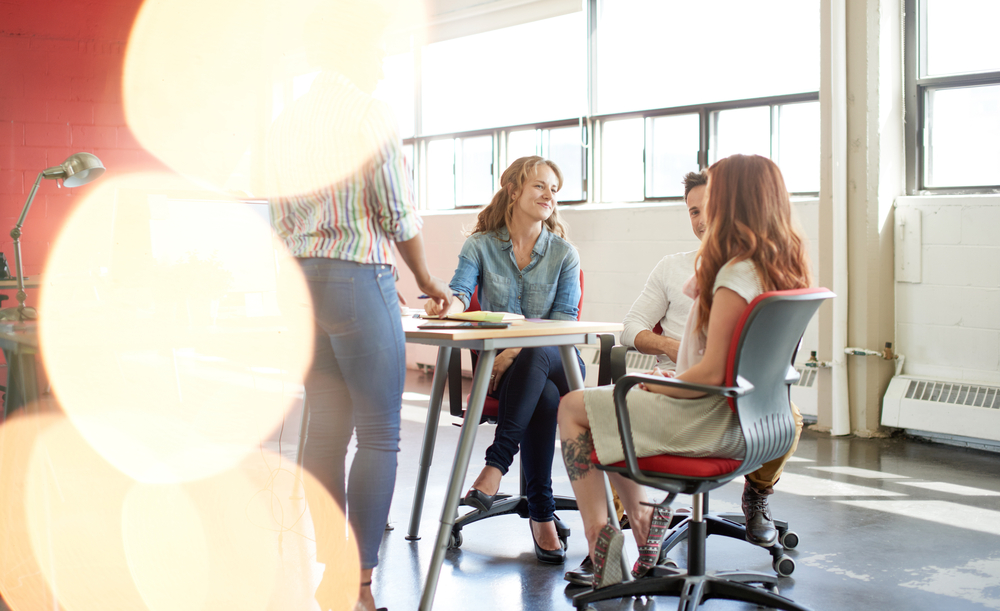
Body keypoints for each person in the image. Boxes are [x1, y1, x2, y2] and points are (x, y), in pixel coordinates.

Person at [266, 5, 452, 611]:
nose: (382, 68)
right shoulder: (370, 113)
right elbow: (396, 211)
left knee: (325, 430)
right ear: (353, 53)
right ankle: (362, 584)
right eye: (378, 55)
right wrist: (425, 278)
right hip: (355, 274)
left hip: (303, 284)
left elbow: (277, 214)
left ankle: (330, 568)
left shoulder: (287, 121)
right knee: (379, 433)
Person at [557, 154, 812, 589]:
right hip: (759, 420)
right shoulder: (781, 267)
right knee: (611, 411)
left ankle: (601, 541)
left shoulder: (734, 275)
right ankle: (642, 525)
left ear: (735, 200)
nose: (707, 212)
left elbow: (712, 375)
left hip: (710, 420)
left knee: (574, 407)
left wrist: (663, 387)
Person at [424, 156, 583, 565]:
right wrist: (448, 305)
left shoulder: (564, 254)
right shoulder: (479, 245)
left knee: (540, 367)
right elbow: (461, 291)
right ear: (513, 190)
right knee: (543, 398)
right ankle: (542, 514)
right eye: (539, 187)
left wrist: (511, 349)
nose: (549, 196)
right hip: (516, 374)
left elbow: (563, 325)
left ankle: (495, 466)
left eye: (554, 190)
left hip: (560, 361)